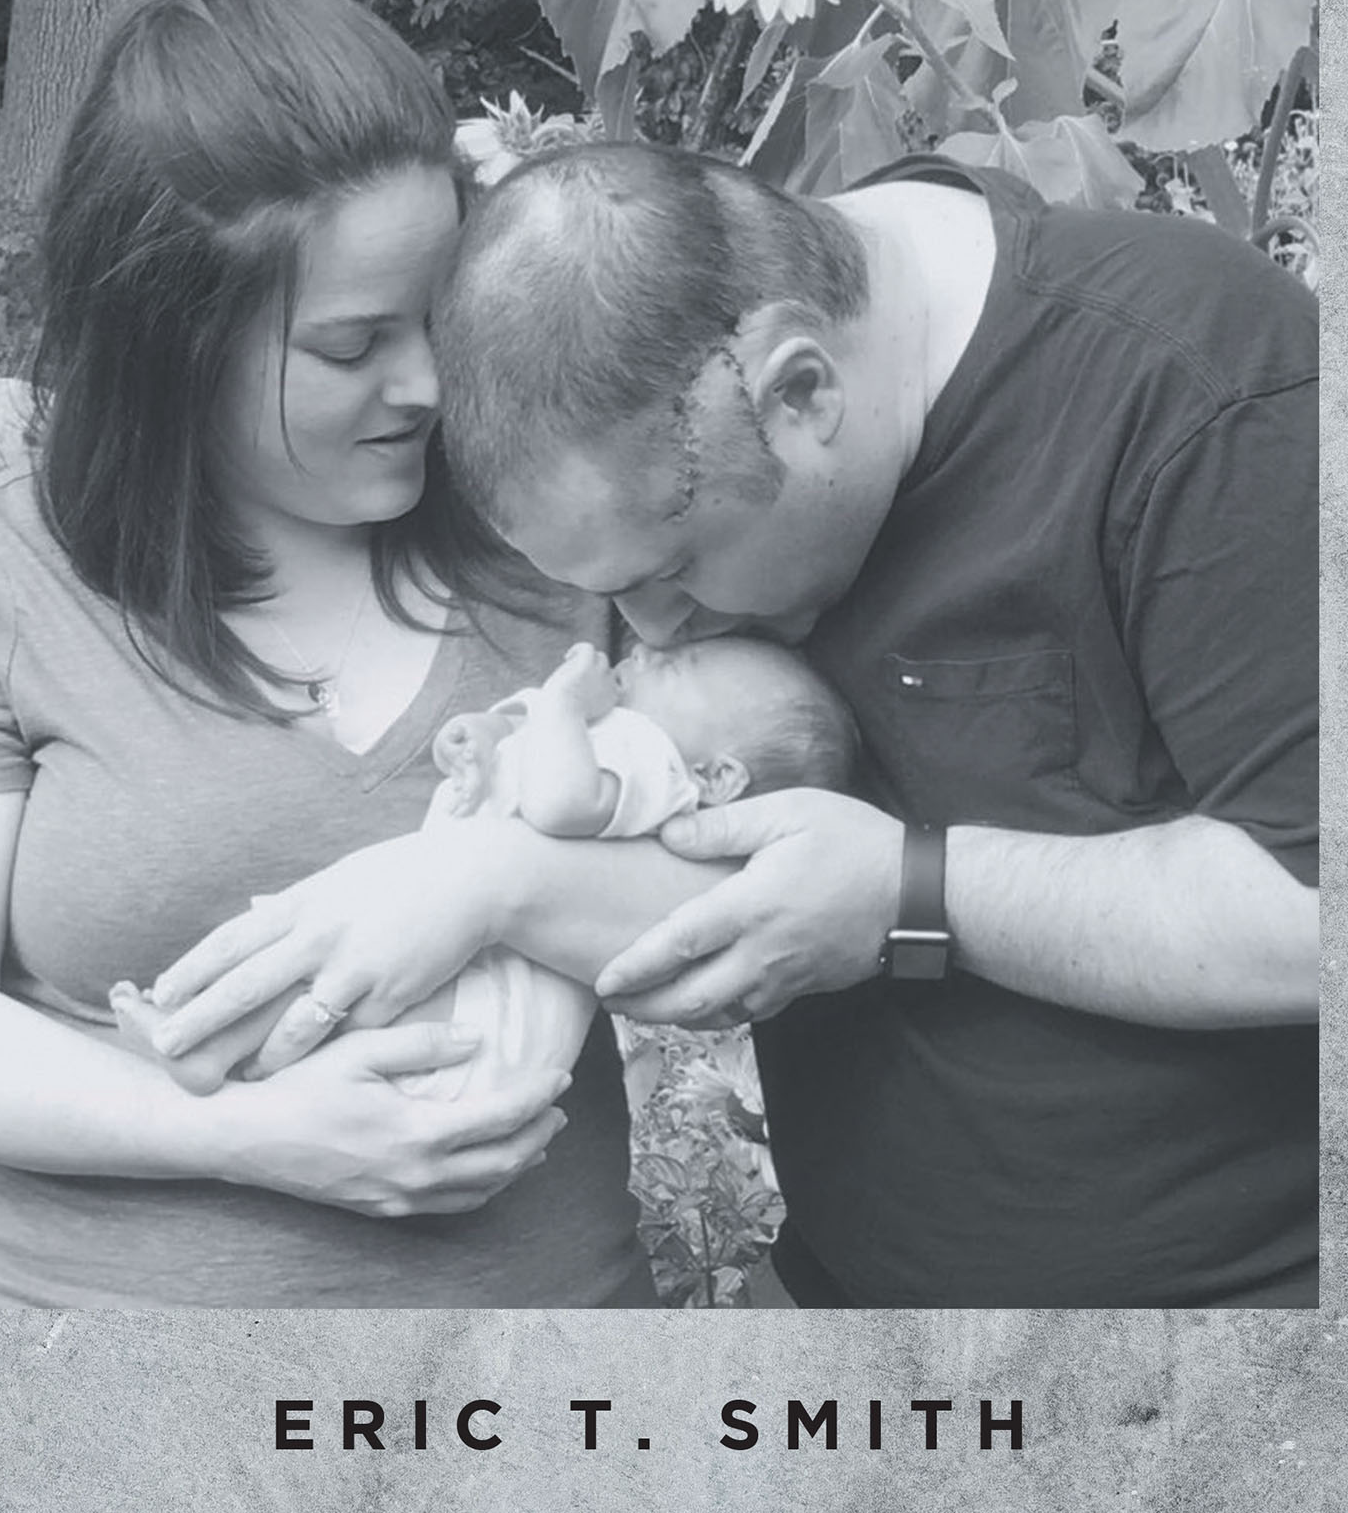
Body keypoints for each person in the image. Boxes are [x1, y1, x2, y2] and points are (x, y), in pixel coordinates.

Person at [145, 139, 1318, 1310]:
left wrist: (911, 896)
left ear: (799, 393)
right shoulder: (677, 403)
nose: (648, 632)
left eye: (670, 570)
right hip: (839, 1293)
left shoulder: (1197, 387)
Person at [0, 0, 673, 1309]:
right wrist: (244, 1136)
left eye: (440, 315)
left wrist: (491, 884)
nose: (428, 383)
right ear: (173, 342)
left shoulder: (551, 531)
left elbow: (751, 900)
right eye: (354, 346)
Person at [112, 634, 858, 1099]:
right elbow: (518, 737)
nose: (646, 650)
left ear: (719, 776)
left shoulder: (659, 770)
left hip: (494, 994)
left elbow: (562, 804)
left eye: (682, 664)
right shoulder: (609, 729)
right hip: (446, 931)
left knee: (332, 987)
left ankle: (208, 1051)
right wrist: (479, 737)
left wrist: (563, 702)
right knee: (304, 958)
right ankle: (209, 1047)